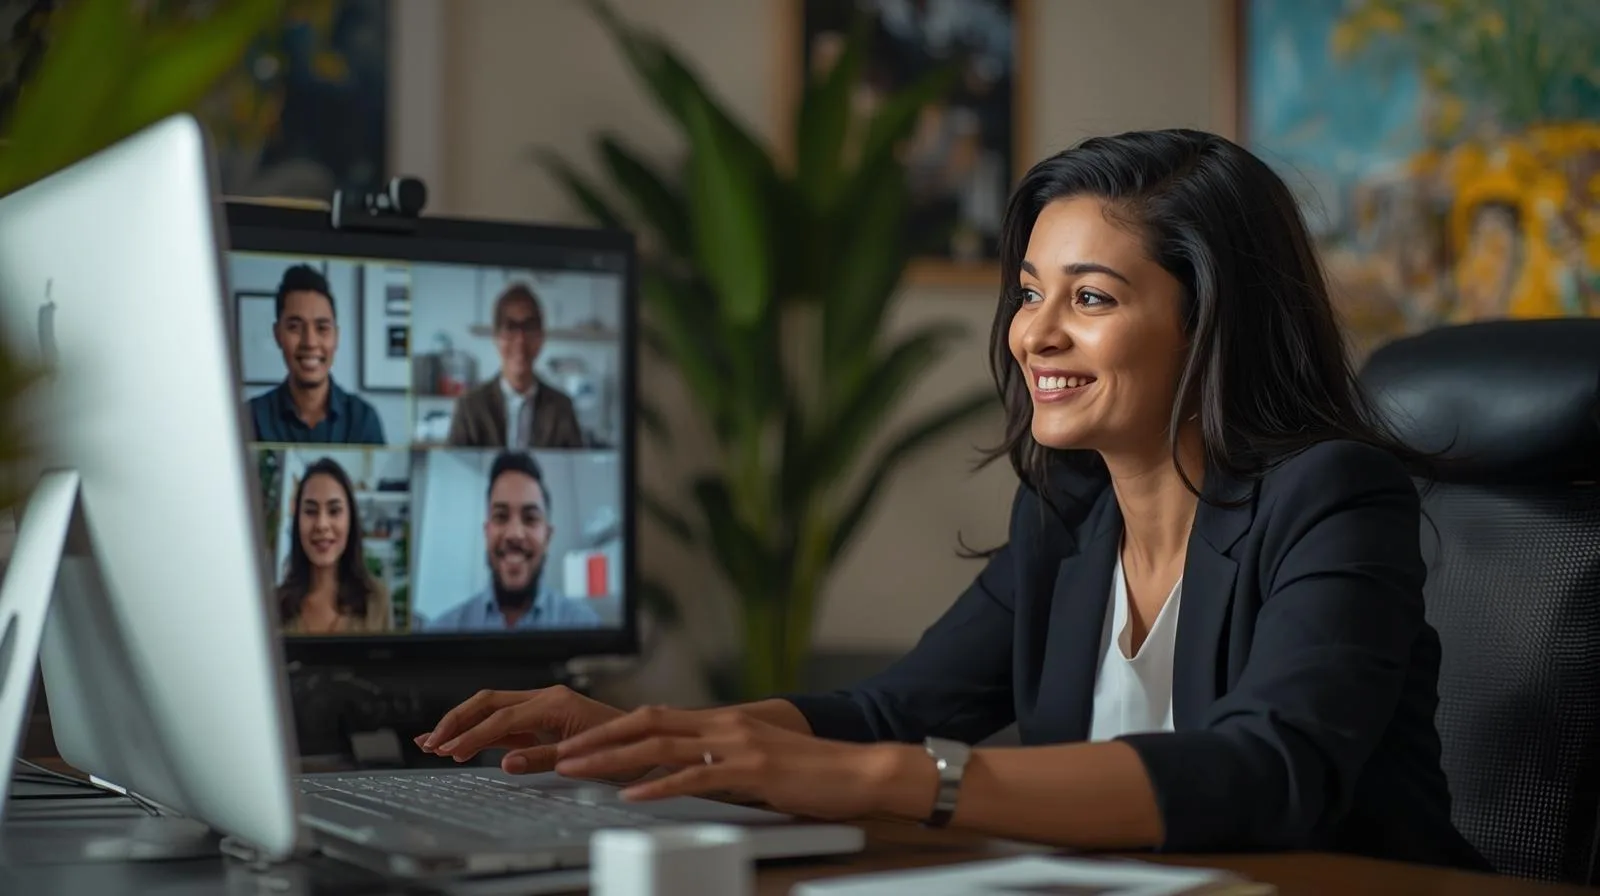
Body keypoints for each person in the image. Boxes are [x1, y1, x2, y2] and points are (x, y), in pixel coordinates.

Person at [414, 130, 1490, 870]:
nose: (1035, 333)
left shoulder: (1334, 495)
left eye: (1092, 297)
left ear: (1209, 322)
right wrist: (659, 734)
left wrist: (893, 780)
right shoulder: (1071, 511)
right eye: (1029, 291)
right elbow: (895, 709)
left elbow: (1270, 771)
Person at [420, 450, 600, 631]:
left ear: (548, 536)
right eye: (501, 516)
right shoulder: (441, 630)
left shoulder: (586, 626)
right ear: (487, 531)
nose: (514, 534)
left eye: (530, 518)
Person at [247, 264, 386, 445]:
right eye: (294, 327)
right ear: (277, 334)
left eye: (322, 328)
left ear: (336, 337)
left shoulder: (363, 419)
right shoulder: (250, 418)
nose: (310, 342)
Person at [446, 283, 584, 449]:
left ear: (541, 337)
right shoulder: (469, 407)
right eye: (510, 328)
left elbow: (576, 472)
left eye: (529, 328)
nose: (520, 340)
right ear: (496, 337)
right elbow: (453, 472)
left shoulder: (562, 408)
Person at [277, 457, 391, 634]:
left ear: (350, 520)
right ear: (297, 521)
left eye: (334, 511)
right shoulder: (272, 604)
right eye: (311, 511)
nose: (322, 524)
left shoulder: (377, 601)